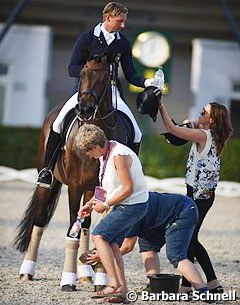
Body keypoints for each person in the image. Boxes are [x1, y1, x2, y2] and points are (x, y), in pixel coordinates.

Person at [37, 2, 159, 188]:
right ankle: (47, 170)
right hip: (85, 90)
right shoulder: (87, 38)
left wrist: (147, 82)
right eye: (120, 21)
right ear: (107, 18)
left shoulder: (123, 43)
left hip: (111, 91)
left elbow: (131, 74)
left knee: (136, 132)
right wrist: (90, 74)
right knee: (58, 122)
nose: (123, 25)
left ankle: (131, 174)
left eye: (124, 21)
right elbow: (72, 68)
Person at [157, 98, 233, 294]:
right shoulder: (211, 134)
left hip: (199, 195)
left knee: (189, 238)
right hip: (202, 194)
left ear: (212, 121)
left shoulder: (203, 135)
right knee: (190, 237)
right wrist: (192, 122)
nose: (200, 114)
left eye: (203, 113)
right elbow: (184, 126)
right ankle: (187, 285)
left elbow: (173, 130)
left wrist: (161, 106)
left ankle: (209, 282)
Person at [76, 124, 149, 302]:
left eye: (87, 151)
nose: (87, 155)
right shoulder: (105, 154)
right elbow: (106, 187)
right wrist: (90, 203)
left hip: (132, 205)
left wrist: (106, 204)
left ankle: (113, 284)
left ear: (95, 147)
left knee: (98, 236)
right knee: (112, 244)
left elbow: (128, 189)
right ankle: (122, 291)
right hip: (126, 204)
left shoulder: (119, 155)